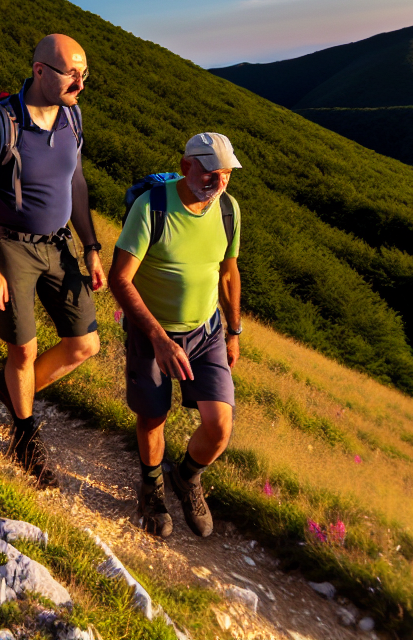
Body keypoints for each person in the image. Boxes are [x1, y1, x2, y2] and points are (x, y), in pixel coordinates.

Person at [0, 34, 105, 487]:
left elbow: (76, 184)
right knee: (22, 347)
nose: (79, 84)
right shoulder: (2, 122)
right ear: (40, 70)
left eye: (84, 75)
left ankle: (11, 389)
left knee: (85, 344)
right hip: (11, 245)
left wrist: (91, 246)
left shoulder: (72, 116)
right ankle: (24, 435)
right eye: (71, 74)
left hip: (60, 244)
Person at [109, 132, 243, 538]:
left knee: (219, 425)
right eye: (210, 172)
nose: (219, 183)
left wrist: (233, 331)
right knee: (153, 416)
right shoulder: (153, 207)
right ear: (186, 166)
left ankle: (186, 478)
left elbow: (228, 273)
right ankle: (151, 487)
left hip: (207, 332)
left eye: (226, 174)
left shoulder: (228, 210)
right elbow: (120, 278)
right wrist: (157, 338)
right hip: (152, 333)